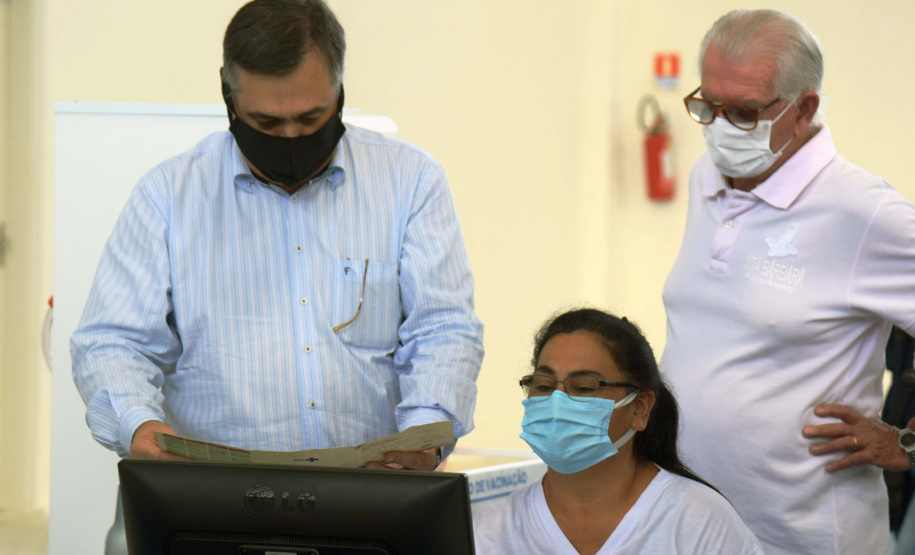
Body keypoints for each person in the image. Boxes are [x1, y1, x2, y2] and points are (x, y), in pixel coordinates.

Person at [71, 0, 483, 471]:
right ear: (229, 101)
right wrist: (136, 423)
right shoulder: (167, 196)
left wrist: (424, 433)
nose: (290, 136)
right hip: (213, 495)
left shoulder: (411, 181)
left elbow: (444, 329)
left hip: (374, 491)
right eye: (266, 122)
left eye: (311, 119)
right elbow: (112, 342)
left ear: (340, 92)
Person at [662, 8, 915, 554]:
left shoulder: (861, 212)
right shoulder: (705, 176)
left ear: (804, 109)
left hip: (808, 538)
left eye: (745, 112)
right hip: (692, 524)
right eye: (708, 105)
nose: (722, 128)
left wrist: (910, 442)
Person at [473, 308, 762, 555]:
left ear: (639, 408)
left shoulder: (699, 523)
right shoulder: (489, 532)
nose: (556, 404)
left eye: (584, 388)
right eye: (544, 386)